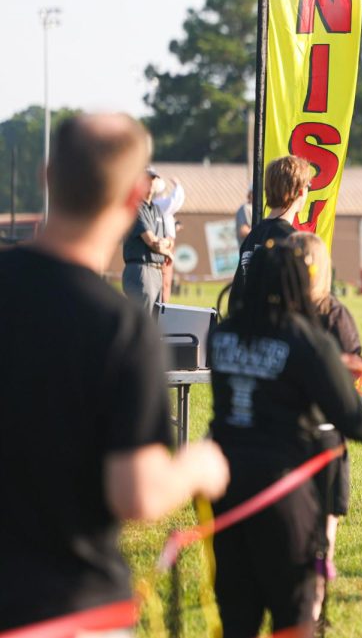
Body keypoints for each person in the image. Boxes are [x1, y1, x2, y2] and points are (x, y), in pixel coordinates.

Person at [0, 114, 229, 633]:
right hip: (71, 606)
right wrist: (199, 465)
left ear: (47, 177)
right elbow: (139, 494)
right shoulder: (123, 327)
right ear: (132, 202)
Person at [209, 242, 362, 634]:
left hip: (226, 492)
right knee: (296, 619)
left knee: (237, 618)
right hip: (283, 494)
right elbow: (359, 423)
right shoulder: (307, 341)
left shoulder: (224, 335)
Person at [286, 232, 362, 619]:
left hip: (283, 434)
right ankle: (314, 603)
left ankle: (304, 598)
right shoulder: (334, 313)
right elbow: (356, 363)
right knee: (326, 523)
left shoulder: (275, 311)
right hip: (326, 436)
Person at [229, 155, 314, 312]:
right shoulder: (293, 240)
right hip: (274, 330)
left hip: (246, 327)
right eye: (309, 185)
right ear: (301, 191)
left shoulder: (253, 235)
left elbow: (237, 293)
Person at [121, 166, 173, 312]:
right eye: (146, 180)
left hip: (156, 271)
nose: (150, 184)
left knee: (155, 321)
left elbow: (167, 240)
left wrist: (165, 244)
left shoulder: (156, 209)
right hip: (141, 269)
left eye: (153, 180)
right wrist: (167, 252)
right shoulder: (135, 207)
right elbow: (152, 242)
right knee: (142, 321)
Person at [152, 175, 186, 303]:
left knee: (166, 282)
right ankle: (162, 309)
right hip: (164, 244)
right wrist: (177, 185)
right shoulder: (158, 203)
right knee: (164, 282)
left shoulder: (158, 205)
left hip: (167, 242)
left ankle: (163, 308)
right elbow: (174, 200)